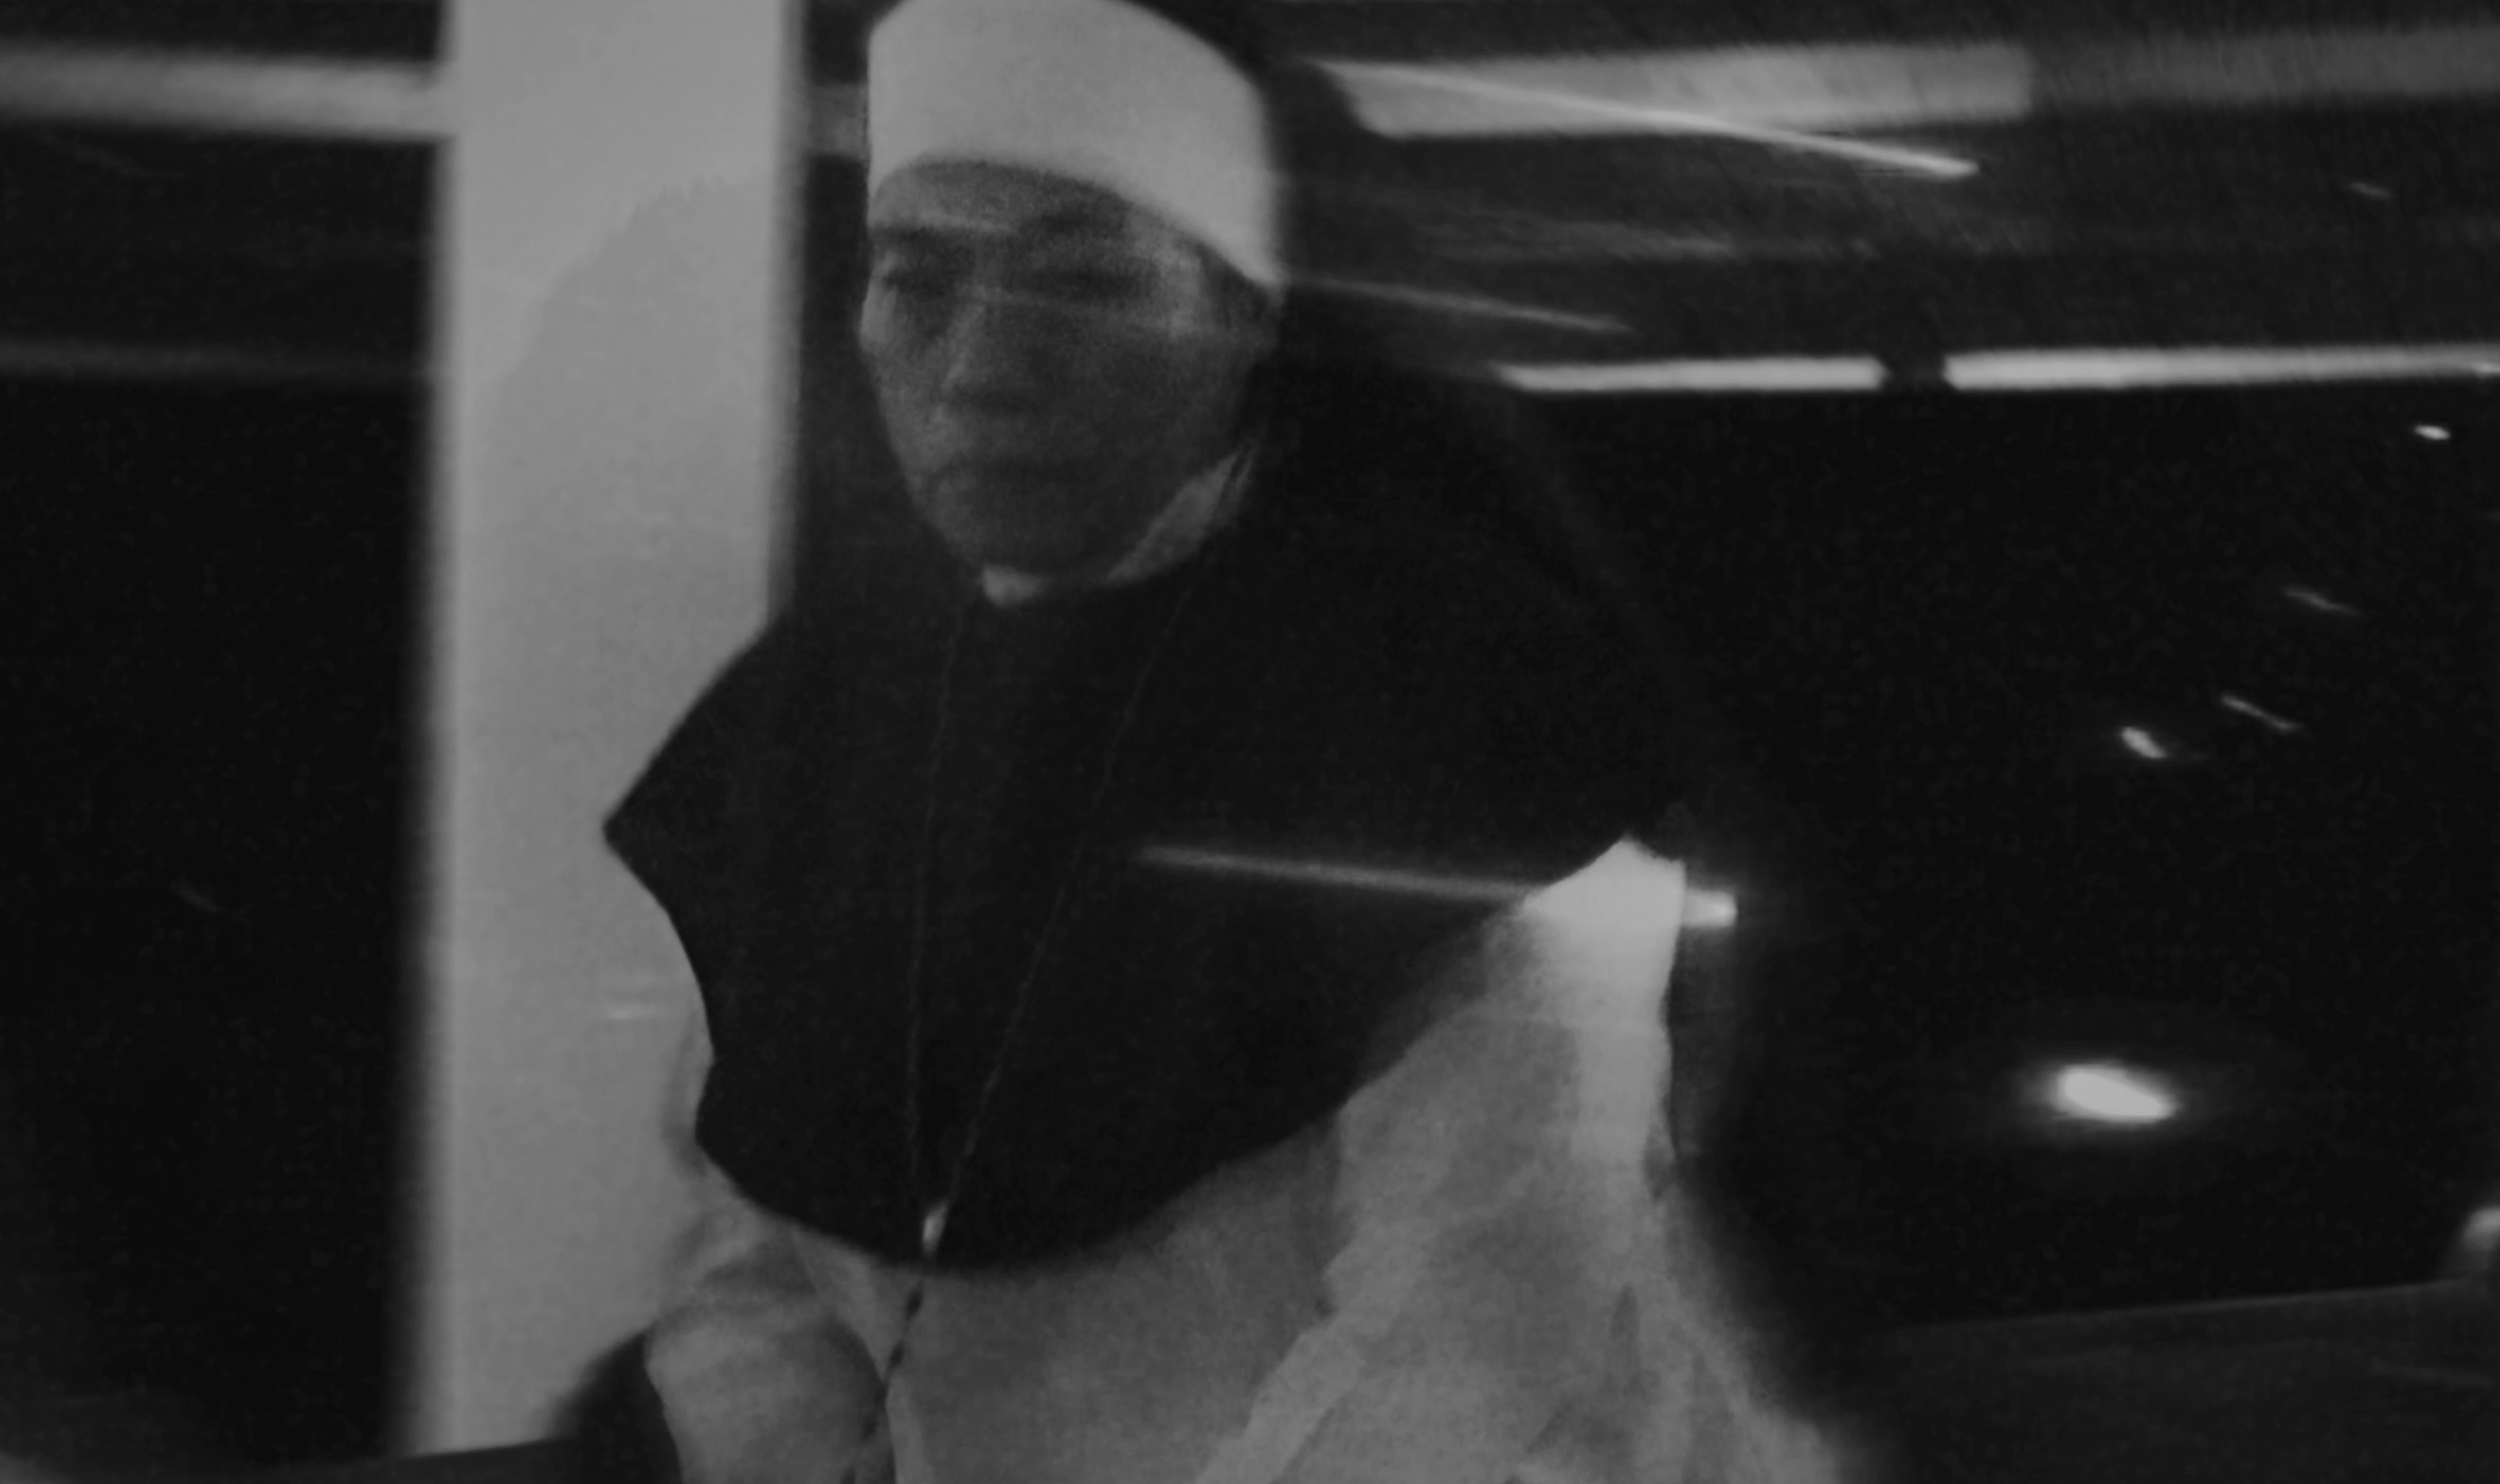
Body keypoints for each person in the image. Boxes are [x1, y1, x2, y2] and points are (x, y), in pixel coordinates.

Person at [565, 1, 1877, 1480]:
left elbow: (1471, 1334)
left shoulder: (1475, 705)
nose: (981, 362)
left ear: (1244, 315)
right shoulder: (812, 715)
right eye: (916, 277)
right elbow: (752, 1281)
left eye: (1083, 280)